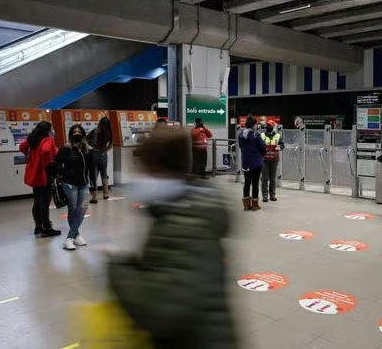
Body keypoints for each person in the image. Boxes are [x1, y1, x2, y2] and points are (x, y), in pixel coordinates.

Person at [108, 128, 237, 349]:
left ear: (158, 170)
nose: (139, 177)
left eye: (144, 169)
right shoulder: (179, 211)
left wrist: (119, 269)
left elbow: (162, 310)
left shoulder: (186, 222)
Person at [52, 124, 93, 251]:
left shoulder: (87, 149)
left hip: (85, 185)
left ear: (83, 134)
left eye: (79, 131)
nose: (77, 134)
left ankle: (74, 235)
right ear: (70, 134)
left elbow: (92, 169)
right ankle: (71, 238)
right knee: (73, 209)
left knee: (83, 209)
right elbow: (55, 163)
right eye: (74, 132)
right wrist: (63, 174)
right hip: (70, 185)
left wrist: (94, 185)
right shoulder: (65, 149)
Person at [19, 121, 61, 237]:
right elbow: (46, 151)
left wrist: (30, 157)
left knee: (37, 200)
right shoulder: (48, 139)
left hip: (34, 173)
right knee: (45, 202)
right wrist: (49, 164)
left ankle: (37, 226)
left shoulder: (32, 138)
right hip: (44, 174)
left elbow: (22, 147)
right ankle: (46, 227)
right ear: (48, 130)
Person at [239, 115, 266, 211]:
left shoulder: (241, 134)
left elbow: (240, 146)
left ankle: (246, 205)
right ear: (254, 124)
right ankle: (255, 205)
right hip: (256, 163)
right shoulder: (255, 134)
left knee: (247, 183)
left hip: (245, 162)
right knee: (255, 183)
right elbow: (263, 147)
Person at [88, 117, 113, 203]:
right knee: (104, 173)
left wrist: (90, 147)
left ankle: (94, 197)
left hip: (94, 153)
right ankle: (105, 194)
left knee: (93, 175)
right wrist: (105, 149)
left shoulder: (96, 131)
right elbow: (110, 143)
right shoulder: (109, 133)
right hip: (103, 154)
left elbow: (87, 139)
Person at [261, 120, 284, 202]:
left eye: (270, 125)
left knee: (272, 178)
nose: (268, 126)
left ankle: (272, 194)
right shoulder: (262, 135)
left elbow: (282, 145)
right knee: (264, 178)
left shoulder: (278, 136)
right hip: (264, 160)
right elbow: (259, 146)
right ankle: (265, 195)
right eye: (267, 125)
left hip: (274, 160)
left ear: (273, 127)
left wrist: (279, 147)